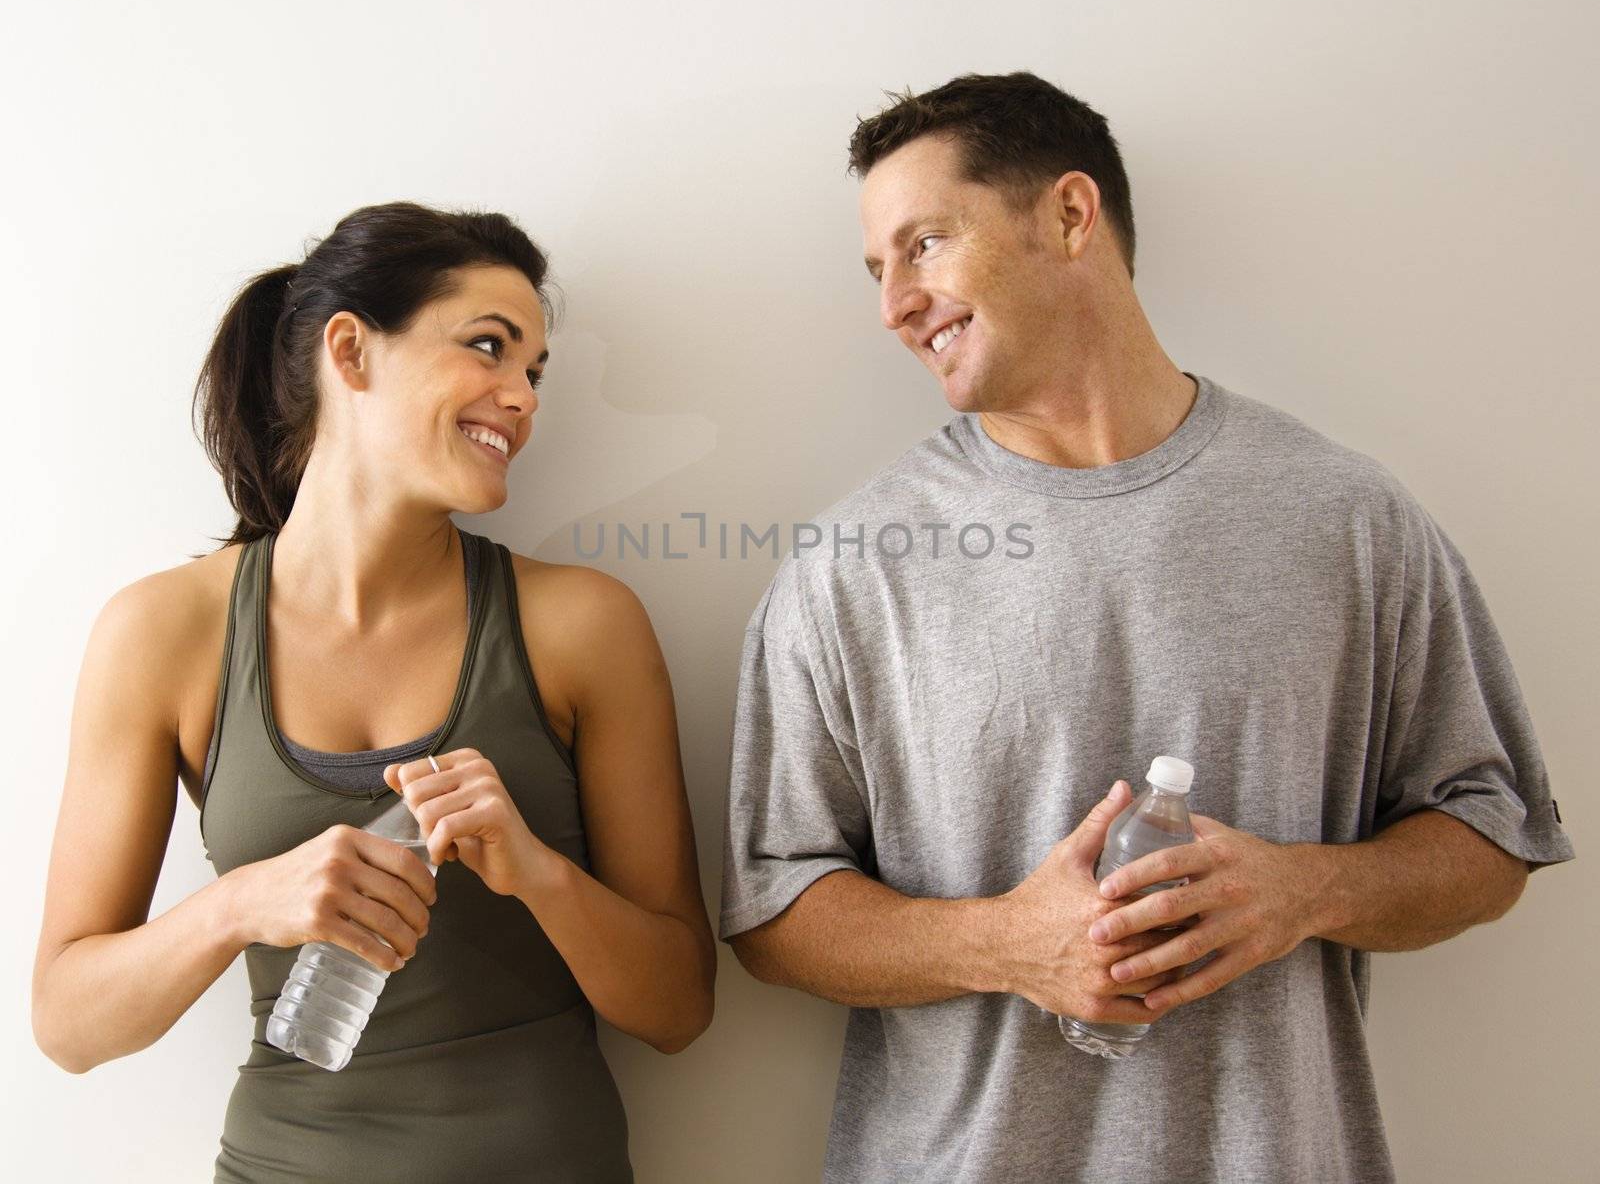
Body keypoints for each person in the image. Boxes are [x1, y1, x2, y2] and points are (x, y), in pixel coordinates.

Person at [719, 72, 1574, 1182]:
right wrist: (1007, 944)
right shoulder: (849, 565)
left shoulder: (1345, 516)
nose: (893, 303)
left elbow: (1494, 831)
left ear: (1070, 215)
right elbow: (771, 910)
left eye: (924, 243)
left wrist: (1302, 888)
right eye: (877, 269)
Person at [32, 201, 715, 1182]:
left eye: (533, 370)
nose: (521, 396)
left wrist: (536, 869)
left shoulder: (581, 625)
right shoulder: (163, 633)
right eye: (489, 347)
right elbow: (68, 1023)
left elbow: (678, 1008)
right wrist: (240, 903)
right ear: (350, 352)